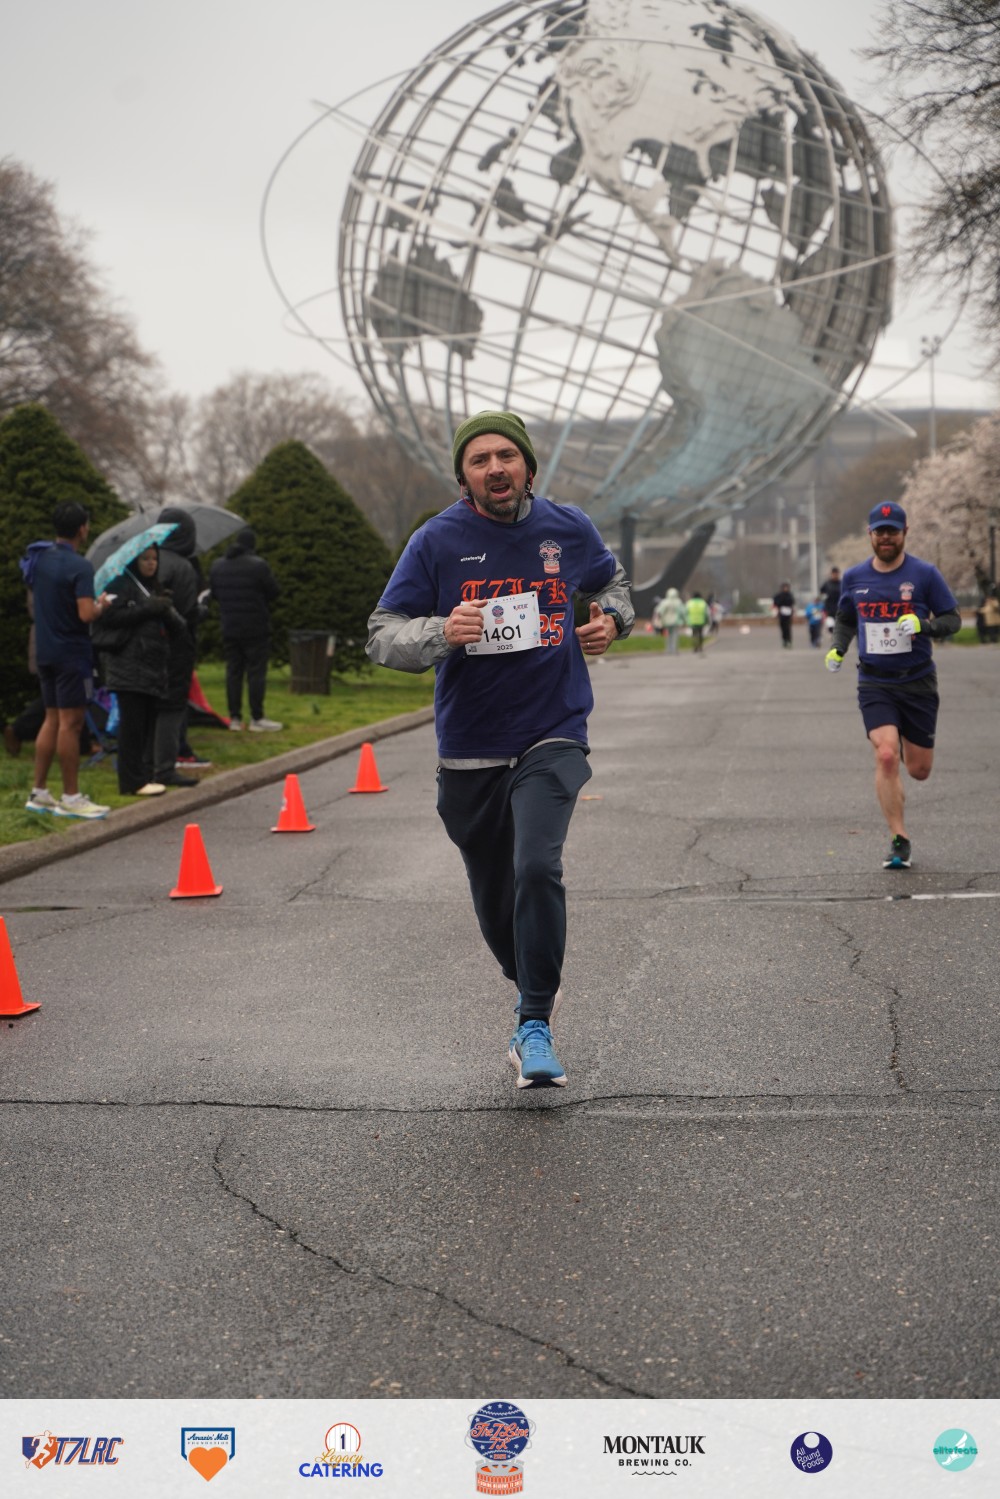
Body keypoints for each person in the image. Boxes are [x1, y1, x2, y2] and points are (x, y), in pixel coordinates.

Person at [367, 410, 633, 1090]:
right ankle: (531, 978)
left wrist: (612, 620)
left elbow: (613, 584)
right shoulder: (436, 540)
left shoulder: (567, 528)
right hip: (471, 745)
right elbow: (381, 633)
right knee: (494, 896)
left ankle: (534, 1022)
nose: (495, 468)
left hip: (553, 730)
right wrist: (441, 631)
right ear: (464, 477)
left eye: (506, 456)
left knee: (537, 865)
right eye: (480, 459)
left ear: (528, 467)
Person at [825, 501, 961, 869]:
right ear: (870, 534)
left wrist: (924, 626)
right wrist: (838, 648)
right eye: (880, 531)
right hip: (875, 682)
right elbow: (846, 619)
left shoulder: (925, 574)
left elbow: (953, 619)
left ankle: (904, 743)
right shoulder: (854, 577)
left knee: (918, 770)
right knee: (886, 755)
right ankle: (899, 840)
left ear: (905, 533)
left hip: (917, 681)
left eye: (893, 531)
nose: (886, 537)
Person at [22, 501, 111, 819]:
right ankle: (71, 797)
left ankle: (39, 792)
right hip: (72, 654)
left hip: (45, 651)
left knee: (51, 720)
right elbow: (86, 614)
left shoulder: (40, 559)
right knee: (71, 724)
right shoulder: (80, 566)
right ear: (82, 528)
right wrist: (102, 606)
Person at [95, 544, 186, 797]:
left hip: (151, 667)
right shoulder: (120, 584)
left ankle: (143, 775)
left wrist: (164, 608)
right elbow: (111, 618)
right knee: (132, 727)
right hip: (128, 666)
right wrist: (148, 608)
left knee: (145, 725)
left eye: (154, 559)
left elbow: (178, 626)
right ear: (134, 561)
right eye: (145, 558)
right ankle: (131, 782)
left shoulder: (152, 587)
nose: (151, 563)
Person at [208, 527, 282, 731]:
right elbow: (274, 591)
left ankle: (234, 718)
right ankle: (257, 717)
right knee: (256, 673)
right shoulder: (258, 566)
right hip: (256, 627)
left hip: (229, 626)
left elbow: (214, 593)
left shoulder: (217, 566)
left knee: (233, 672)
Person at [151, 507, 201, 786]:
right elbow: (186, 611)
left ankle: (144, 764)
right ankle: (165, 767)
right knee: (171, 707)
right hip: (176, 645)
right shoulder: (183, 567)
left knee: (148, 706)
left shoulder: (147, 559)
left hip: (145, 646)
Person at [653, 587, 685, 654]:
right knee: (675, 635)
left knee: (668, 636)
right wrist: (684, 619)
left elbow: (659, 611)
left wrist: (659, 619)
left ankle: (668, 649)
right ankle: (674, 649)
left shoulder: (665, 602)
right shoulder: (678, 602)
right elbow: (682, 611)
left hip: (667, 621)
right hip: (676, 621)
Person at [819, 566, 841, 634]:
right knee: (830, 627)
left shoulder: (841, 583)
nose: (835, 575)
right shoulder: (827, 584)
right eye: (834, 574)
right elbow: (821, 592)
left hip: (839, 609)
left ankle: (836, 636)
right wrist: (824, 597)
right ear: (831, 574)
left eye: (836, 573)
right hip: (829, 609)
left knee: (839, 627)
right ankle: (832, 635)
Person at [773, 581, 795, 647]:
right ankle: (784, 640)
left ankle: (789, 640)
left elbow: (792, 603)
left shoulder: (790, 595)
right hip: (782, 613)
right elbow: (776, 602)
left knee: (788, 627)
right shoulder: (779, 595)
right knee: (783, 628)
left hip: (788, 613)